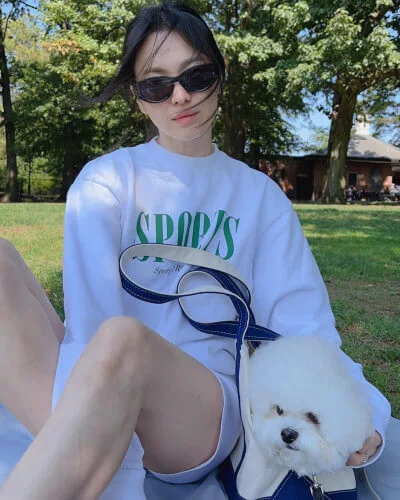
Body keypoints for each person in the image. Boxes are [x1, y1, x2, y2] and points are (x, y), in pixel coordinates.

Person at [0, 2, 391, 499]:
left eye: (196, 75)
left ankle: (83, 469)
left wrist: (366, 418)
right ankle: (90, 464)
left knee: (124, 340)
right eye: (155, 85)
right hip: (98, 391)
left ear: (219, 78)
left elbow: (305, 329)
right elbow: (87, 329)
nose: (180, 96)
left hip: (200, 412)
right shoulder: (105, 182)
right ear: (137, 98)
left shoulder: (259, 197)